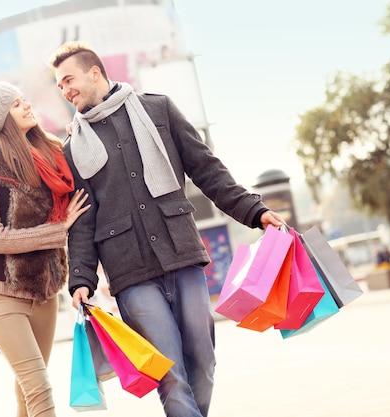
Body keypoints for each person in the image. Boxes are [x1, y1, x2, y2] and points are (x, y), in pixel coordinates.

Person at [49, 42, 286, 417]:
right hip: (130, 273)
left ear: (94, 72)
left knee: (203, 364)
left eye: (68, 80)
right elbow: (83, 220)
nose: (64, 91)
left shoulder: (157, 110)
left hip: (182, 253)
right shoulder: (72, 148)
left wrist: (254, 211)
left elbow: (207, 169)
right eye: (59, 86)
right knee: (171, 374)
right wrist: (81, 277)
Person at [0, 81, 90, 417]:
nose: (27, 106)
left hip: (43, 290)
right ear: (2, 118)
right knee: (38, 386)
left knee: (25, 391)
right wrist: (60, 230)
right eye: (17, 105)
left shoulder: (51, 152)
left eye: (23, 100)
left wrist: (82, 136)